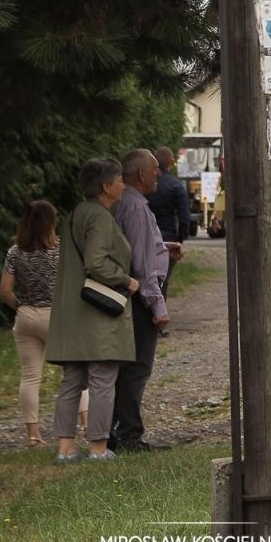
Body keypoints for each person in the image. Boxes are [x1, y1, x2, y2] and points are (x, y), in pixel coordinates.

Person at [45, 158, 139, 464]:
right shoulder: (99, 217)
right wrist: (127, 280)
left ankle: (65, 448)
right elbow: (95, 262)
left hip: (72, 310)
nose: (123, 184)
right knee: (102, 378)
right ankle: (98, 447)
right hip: (97, 312)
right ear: (105, 187)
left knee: (73, 379)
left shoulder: (75, 214)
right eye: (119, 180)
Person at [0, 201, 86, 446]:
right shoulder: (61, 249)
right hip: (57, 316)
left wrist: (21, 306)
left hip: (26, 316)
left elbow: (5, 291)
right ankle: (88, 423)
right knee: (75, 372)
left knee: (30, 377)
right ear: (51, 221)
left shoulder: (15, 251)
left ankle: (33, 435)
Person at [110, 149, 173, 453]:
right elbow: (143, 266)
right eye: (155, 169)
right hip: (138, 300)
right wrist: (158, 307)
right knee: (136, 368)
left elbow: (143, 249)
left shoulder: (126, 204)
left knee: (124, 367)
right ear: (140, 174)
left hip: (128, 297)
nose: (159, 173)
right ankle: (129, 436)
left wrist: (163, 247)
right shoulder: (135, 208)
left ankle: (112, 432)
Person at [146, 146, 191, 285]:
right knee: (162, 282)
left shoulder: (145, 184)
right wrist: (180, 240)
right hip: (168, 237)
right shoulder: (176, 186)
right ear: (172, 161)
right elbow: (184, 217)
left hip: (146, 236)